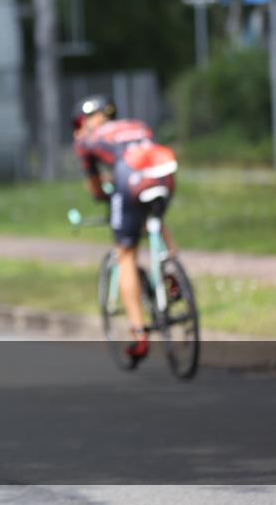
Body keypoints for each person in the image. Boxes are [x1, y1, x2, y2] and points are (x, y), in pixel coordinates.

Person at [72, 95, 178, 365]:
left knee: (125, 254)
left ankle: (139, 333)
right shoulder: (136, 125)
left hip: (129, 179)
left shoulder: (86, 140)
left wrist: (105, 195)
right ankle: (172, 273)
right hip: (164, 172)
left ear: (88, 121)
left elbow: (95, 187)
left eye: (78, 123)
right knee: (154, 218)